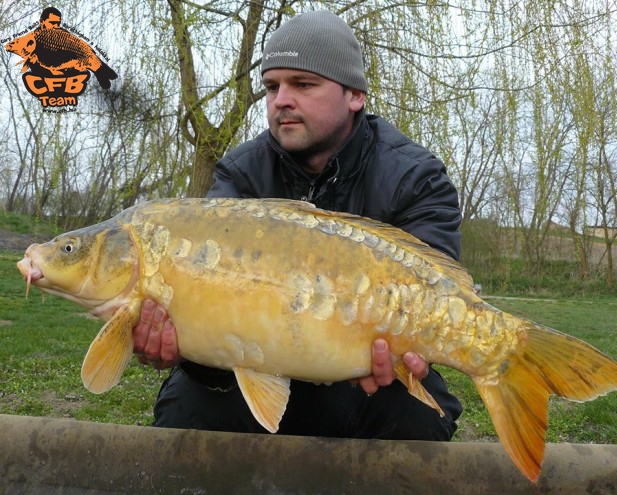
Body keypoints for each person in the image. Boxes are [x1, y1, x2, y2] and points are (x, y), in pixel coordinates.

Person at [133, 10, 463, 440]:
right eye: (272, 87)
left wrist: (409, 352)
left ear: (355, 95)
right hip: (257, 363)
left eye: (303, 84)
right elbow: (208, 308)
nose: (280, 100)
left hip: (364, 376)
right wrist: (186, 349)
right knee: (188, 403)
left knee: (418, 415)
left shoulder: (414, 177)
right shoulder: (241, 175)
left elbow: (436, 301)